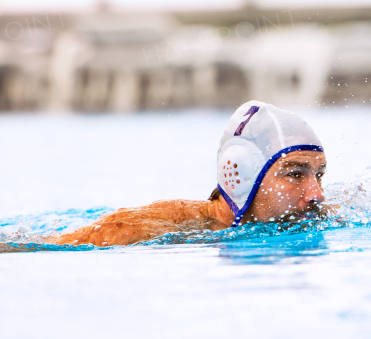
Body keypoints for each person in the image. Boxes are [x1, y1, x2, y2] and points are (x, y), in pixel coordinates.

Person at [54, 100, 327, 247]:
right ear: (243, 174)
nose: (317, 195)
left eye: (319, 175)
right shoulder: (136, 228)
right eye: (295, 174)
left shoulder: (315, 215)